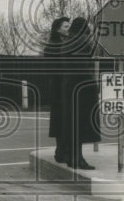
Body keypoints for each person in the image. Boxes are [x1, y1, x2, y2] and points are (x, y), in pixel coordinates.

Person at [64, 16, 101, 170]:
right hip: (82, 88)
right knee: (81, 125)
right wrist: (93, 84)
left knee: (74, 126)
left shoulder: (68, 42)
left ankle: (73, 158)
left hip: (69, 87)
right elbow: (83, 66)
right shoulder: (80, 43)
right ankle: (78, 159)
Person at [43, 17, 71, 163]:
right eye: (66, 26)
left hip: (62, 87)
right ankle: (61, 151)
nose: (69, 29)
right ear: (58, 29)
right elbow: (54, 70)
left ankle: (62, 150)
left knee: (63, 119)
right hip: (58, 88)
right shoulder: (53, 46)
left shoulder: (62, 44)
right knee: (60, 119)